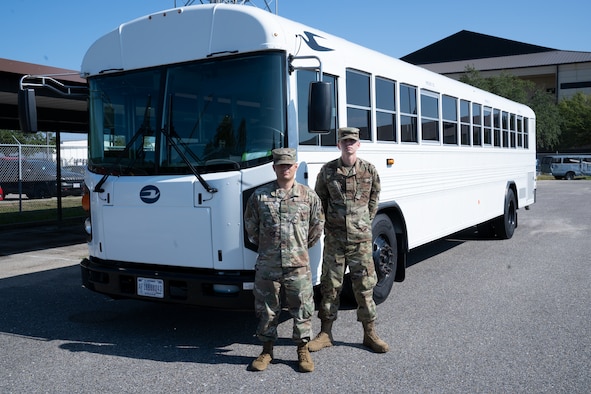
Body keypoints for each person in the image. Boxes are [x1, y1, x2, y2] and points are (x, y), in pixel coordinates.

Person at [308, 127, 389, 353]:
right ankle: (325, 333)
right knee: (330, 286)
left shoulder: (369, 171)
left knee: (364, 287)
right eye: (345, 142)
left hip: (361, 241)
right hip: (335, 240)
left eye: (352, 141)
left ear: (359, 144)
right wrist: (332, 225)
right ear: (339, 145)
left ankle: (369, 333)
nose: (349, 145)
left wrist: (360, 223)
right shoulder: (327, 171)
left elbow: (374, 201)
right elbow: (320, 201)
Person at [244, 148, 325, 372]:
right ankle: (267, 350)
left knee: (302, 308)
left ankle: (302, 350)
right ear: (274, 168)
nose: (285, 168)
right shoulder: (260, 196)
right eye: (281, 165)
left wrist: (297, 247)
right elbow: (251, 226)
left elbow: (317, 227)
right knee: (267, 309)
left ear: (295, 167)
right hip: (268, 265)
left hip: (298, 265)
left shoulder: (308, 196)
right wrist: (269, 248)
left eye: (289, 165)